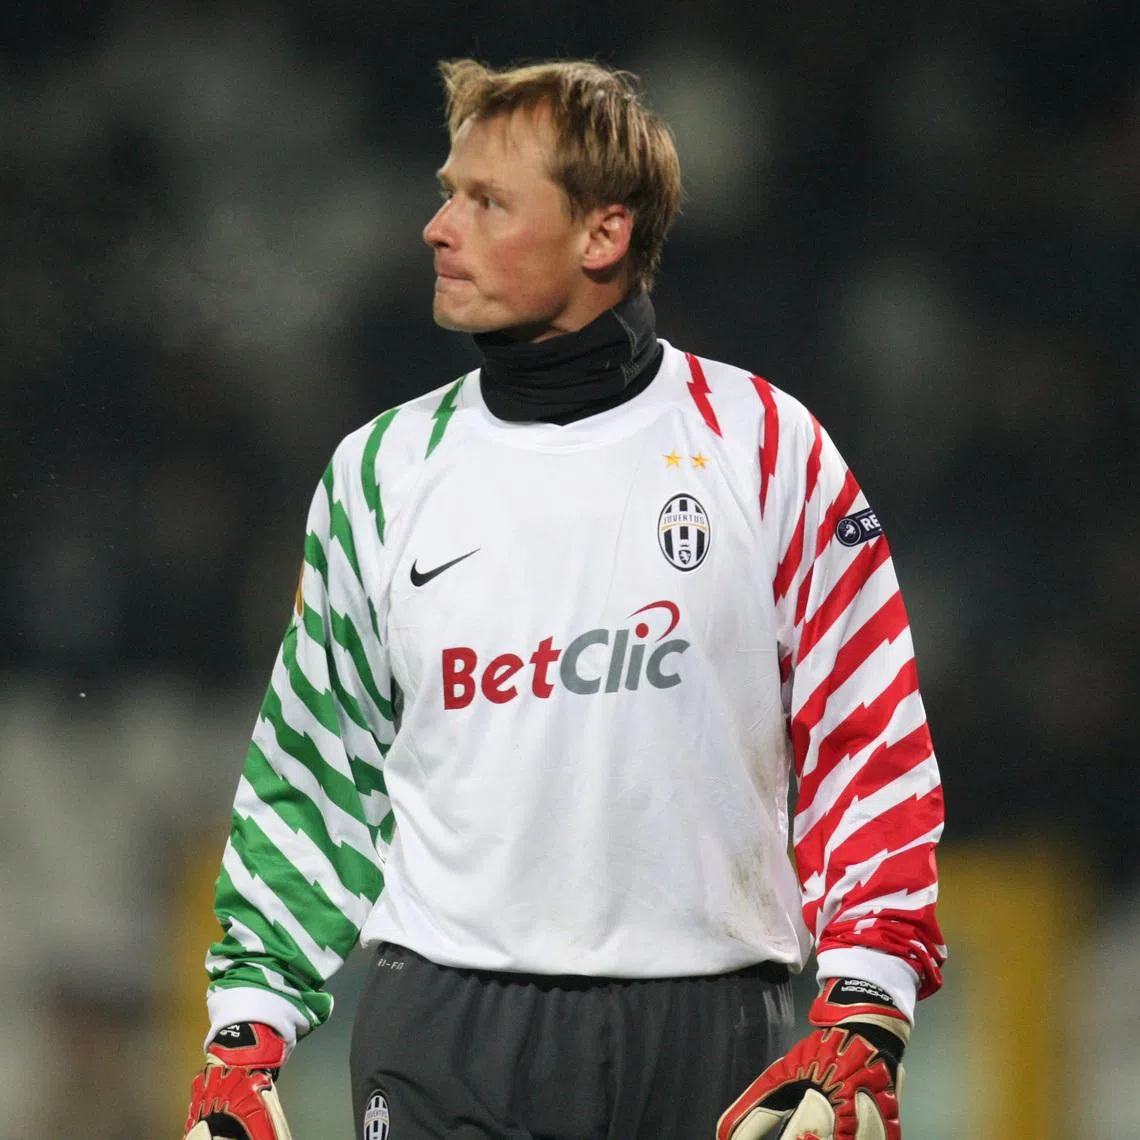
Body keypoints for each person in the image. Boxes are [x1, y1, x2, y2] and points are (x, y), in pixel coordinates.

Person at [184, 58, 946, 1140]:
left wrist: (867, 1004)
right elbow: (313, 766)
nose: (436, 228)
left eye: (485, 201)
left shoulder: (771, 449)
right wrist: (244, 1036)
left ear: (603, 236)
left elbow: (869, 741)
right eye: (448, 191)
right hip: (441, 1027)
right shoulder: (379, 471)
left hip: (717, 1028)